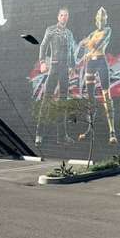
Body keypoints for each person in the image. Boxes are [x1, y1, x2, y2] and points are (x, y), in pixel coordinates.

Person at [34, 8, 76, 145]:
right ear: (58, 17)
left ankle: (62, 136)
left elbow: (71, 51)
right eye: (62, 15)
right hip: (54, 67)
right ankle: (39, 134)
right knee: (46, 99)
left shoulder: (69, 33)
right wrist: (42, 62)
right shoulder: (51, 30)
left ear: (68, 17)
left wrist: (73, 67)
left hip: (65, 70)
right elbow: (43, 46)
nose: (64, 17)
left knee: (63, 101)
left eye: (66, 15)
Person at [76, 7, 117, 144]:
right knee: (90, 97)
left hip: (101, 61)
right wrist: (78, 57)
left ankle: (112, 132)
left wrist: (89, 50)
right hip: (91, 64)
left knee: (106, 96)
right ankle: (90, 129)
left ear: (106, 20)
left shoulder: (107, 30)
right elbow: (82, 46)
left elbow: (101, 43)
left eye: (103, 19)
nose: (101, 21)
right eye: (99, 19)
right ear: (95, 20)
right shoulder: (92, 33)